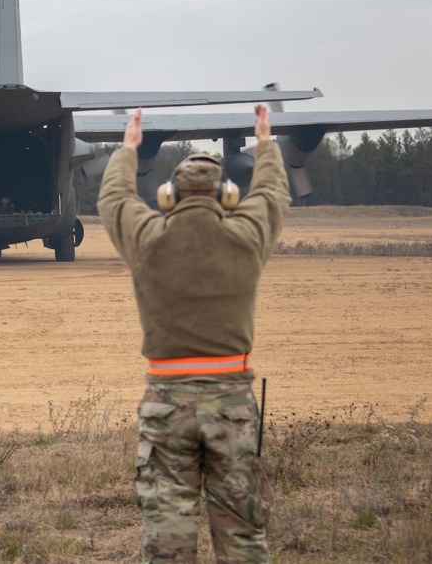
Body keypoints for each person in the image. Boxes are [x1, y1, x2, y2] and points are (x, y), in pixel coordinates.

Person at [97, 105, 289, 563]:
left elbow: (113, 199)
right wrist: (266, 143)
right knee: (243, 538)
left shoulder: (148, 237)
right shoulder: (246, 235)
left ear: (168, 196)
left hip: (167, 403)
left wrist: (127, 148)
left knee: (168, 540)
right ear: (226, 195)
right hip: (232, 403)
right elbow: (272, 193)